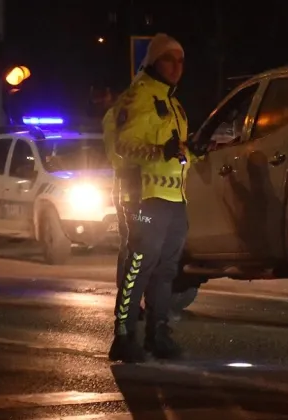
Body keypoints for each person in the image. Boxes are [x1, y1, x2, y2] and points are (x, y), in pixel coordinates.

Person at [106, 33, 202, 363]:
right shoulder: (138, 97)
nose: (177, 67)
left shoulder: (174, 103)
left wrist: (195, 153)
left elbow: (178, 155)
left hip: (174, 199)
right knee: (139, 265)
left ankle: (158, 333)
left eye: (181, 61)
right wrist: (161, 151)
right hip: (143, 197)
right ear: (153, 61)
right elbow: (123, 147)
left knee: (166, 269)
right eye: (169, 59)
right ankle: (123, 335)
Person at [102, 95, 145, 322]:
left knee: (140, 244)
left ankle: (132, 302)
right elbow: (117, 154)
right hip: (128, 188)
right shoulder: (118, 116)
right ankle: (126, 305)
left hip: (141, 187)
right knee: (131, 244)